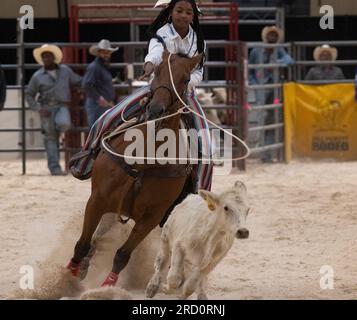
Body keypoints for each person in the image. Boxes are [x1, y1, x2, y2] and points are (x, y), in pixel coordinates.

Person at [70, 0, 212, 194]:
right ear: (171, 12)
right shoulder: (162, 34)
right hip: (157, 89)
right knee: (107, 118)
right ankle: (86, 159)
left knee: (205, 143)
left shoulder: (199, 41)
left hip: (184, 94)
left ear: (193, 16)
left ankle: (201, 192)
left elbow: (198, 73)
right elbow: (154, 54)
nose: (184, 15)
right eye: (179, 10)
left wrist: (181, 82)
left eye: (188, 12)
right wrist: (149, 66)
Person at [26, 44, 82, 176]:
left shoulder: (65, 71)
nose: (46, 58)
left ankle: (58, 132)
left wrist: (91, 82)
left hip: (62, 105)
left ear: (53, 57)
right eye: (44, 56)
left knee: (64, 123)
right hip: (46, 108)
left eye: (48, 55)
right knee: (50, 139)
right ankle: (55, 169)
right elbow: (29, 94)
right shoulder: (37, 76)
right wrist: (39, 108)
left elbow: (78, 80)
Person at [249, 25, 294, 163]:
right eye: (270, 35)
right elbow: (249, 69)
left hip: (274, 88)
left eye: (275, 35)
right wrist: (255, 84)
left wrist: (278, 62)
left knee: (273, 119)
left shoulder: (278, 50)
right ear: (266, 37)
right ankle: (263, 152)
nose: (272, 37)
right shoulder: (256, 50)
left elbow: (290, 60)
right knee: (263, 118)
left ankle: (269, 153)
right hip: (262, 87)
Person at [82, 39, 118, 128]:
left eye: (108, 52)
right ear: (98, 53)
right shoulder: (94, 67)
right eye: (104, 52)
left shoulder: (102, 66)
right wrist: (100, 99)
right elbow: (87, 84)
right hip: (97, 105)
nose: (106, 55)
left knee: (103, 130)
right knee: (97, 130)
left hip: (103, 104)